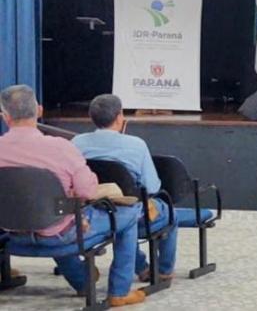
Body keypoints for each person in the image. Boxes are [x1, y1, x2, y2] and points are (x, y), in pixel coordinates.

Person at [0, 85, 145, 306]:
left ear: (5, 116)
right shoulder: (61, 148)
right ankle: (119, 292)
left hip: (11, 236)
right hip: (60, 234)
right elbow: (87, 191)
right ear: (39, 110)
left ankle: (82, 281)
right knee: (129, 214)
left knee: (52, 211)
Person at [72, 94, 178, 282]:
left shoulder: (77, 143)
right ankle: (164, 270)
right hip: (131, 211)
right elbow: (152, 186)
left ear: (91, 117)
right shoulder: (136, 145)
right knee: (170, 213)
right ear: (120, 117)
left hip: (92, 211)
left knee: (120, 221)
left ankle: (143, 267)